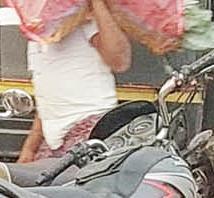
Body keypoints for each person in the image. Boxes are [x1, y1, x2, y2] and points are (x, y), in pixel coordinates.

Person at [17, 0, 132, 162]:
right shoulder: (38, 36)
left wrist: (96, 3)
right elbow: (49, 95)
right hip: (55, 139)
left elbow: (120, 60)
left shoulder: (85, 19)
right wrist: (30, 148)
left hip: (90, 128)